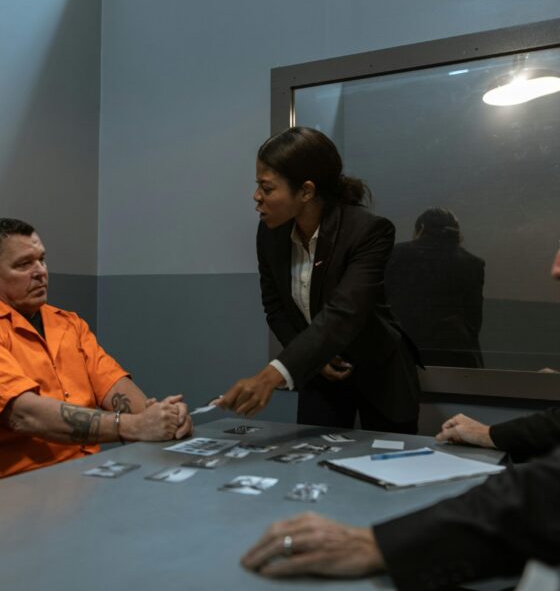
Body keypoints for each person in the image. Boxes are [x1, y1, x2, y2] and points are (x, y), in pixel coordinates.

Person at [240, 244, 560, 589]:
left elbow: (546, 495)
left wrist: (380, 545)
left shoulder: (370, 235)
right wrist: (491, 434)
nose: (555, 268)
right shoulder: (272, 241)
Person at [216, 127, 421, 433]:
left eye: (267, 188)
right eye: (257, 186)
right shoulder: (270, 233)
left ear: (306, 191)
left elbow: (344, 312)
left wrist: (271, 376)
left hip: (380, 374)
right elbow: (275, 308)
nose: (256, 197)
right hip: (318, 374)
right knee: (312, 453)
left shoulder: (367, 231)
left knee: (389, 458)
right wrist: (313, 359)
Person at [0, 218, 193, 478]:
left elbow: (112, 385)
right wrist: (134, 426)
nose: (40, 271)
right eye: (23, 264)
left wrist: (163, 417)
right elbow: (25, 415)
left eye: (41, 260)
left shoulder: (69, 323)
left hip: (89, 473)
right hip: (24, 483)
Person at [385, 207, 485, 368]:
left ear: (421, 229)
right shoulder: (473, 263)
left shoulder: (396, 254)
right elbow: (473, 319)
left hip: (403, 350)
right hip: (455, 353)